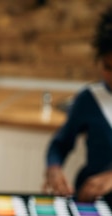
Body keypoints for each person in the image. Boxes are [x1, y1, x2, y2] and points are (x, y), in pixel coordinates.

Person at [43, 6, 112, 205]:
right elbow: (60, 143)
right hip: (91, 204)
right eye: (108, 67)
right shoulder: (89, 99)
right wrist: (53, 168)